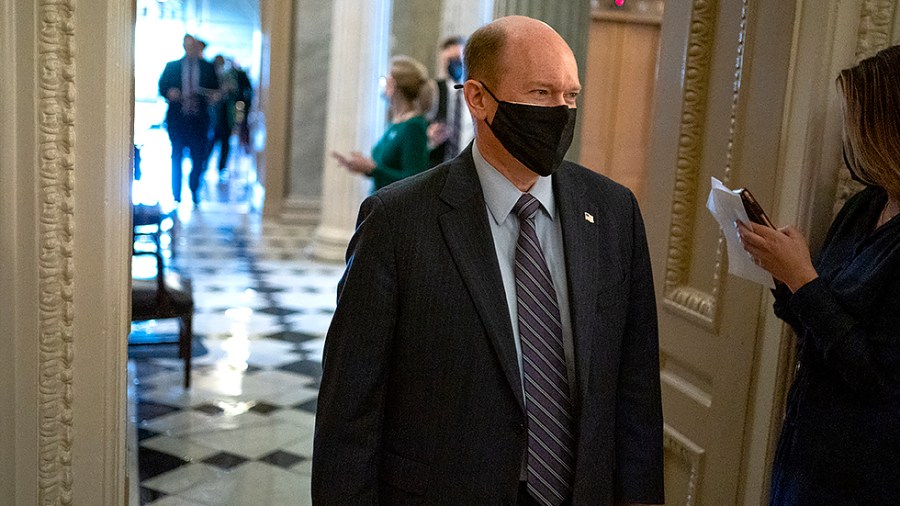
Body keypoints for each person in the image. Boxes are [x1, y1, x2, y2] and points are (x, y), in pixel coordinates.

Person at [312, 15, 664, 506]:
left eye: (571, 96)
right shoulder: (398, 221)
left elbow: (636, 393)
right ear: (477, 98)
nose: (561, 112)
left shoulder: (612, 211)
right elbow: (350, 407)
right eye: (541, 94)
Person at [737, 45, 900, 504]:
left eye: (857, 119)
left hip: (867, 470)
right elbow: (821, 327)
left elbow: (876, 378)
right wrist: (783, 272)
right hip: (807, 446)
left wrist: (803, 279)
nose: (848, 132)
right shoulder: (864, 206)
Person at [331, 55, 431, 193]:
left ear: (394, 85)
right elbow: (385, 167)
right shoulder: (396, 122)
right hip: (380, 201)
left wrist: (372, 170)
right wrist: (366, 168)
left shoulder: (413, 126)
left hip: (397, 207)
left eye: (385, 79)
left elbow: (414, 180)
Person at [158, 34, 219, 204]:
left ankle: (194, 189)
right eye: (188, 45)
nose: (191, 48)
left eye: (194, 46)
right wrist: (170, 93)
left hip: (199, 120)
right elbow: (162, 87)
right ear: (184, 46)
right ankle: (175, 194)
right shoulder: (172, 67)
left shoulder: (207, 67)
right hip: (178, 119)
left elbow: (216, 90)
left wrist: (212, 96)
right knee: (176, 155)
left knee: (198, 156)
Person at [426, 35, 473, 168]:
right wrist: (430, 138)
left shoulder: (478, 92)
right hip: (440, 166)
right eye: (449, 60)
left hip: (470, 167)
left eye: (457, 59)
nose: (454, 65)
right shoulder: (433, 90)